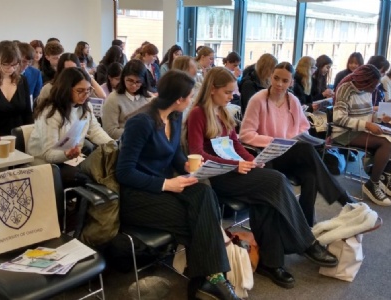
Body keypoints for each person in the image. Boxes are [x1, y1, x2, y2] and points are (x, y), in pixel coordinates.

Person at [186, 67, 338, 289]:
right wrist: (236, 164)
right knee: (276, 180)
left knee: (266, 200)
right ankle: (307, 242)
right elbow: (198, 153)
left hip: (238, 168)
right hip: (219, 175)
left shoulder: (223, 111)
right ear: (212, 90)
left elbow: (236, 144)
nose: (232, 97)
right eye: (228, 92)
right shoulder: (198, 114)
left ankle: (271, 262)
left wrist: (251, 159)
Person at [116, 69, 241, 300]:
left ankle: (205, 281)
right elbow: (124, 172)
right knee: (198, 221)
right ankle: (213, 280)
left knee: (205, 194)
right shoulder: (141, 123)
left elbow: (174, 155)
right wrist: (165, 184)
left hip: (167, 185)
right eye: (190, 96)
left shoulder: (173, 117)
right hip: (139, 196)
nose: (193, 100)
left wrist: (185, 165)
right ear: (178, 99)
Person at [239, 62, 356, 225]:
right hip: (270, 156)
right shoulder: (258, 100)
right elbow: (245, 134)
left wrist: (298, 137)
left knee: (311, 175)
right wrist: (274, 141)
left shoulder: (292, 100)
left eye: (285, 81)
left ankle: (306, 225)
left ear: (291, 82)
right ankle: (344, 198)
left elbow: (304, 126)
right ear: (271, 77)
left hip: (290, 153)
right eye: (276, 78)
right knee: (306, 150)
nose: (280, 84)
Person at [28, 67, 113, 187]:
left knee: (103, 171)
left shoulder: (85, 106)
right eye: (80, 90)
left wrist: (112, 144)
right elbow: (48, 154)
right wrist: (67, 155)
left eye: (88, 90)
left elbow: (95, 131)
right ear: (66, 89)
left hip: (69, 158)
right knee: (90, 178)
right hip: (45, 163)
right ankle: (81, 204)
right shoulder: (51, 113)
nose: (85, 94)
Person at [333, 64, 391, 206]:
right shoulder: (345, 89)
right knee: (387, 143)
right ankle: (372, 183)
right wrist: (367, 125)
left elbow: (367, 113)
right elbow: (338, 118)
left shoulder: (367, 90)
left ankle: (384, 175)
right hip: (343, 133)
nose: (375, 88)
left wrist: (379, 118)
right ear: (365, 82)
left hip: (361, 130)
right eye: (373, 85)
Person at [102, 60, 150, 140]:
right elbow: (110, 131)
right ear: (123, 78)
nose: (134, 85)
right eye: (130, 80)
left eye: (138, 82)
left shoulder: (150, 99)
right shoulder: (113, 99)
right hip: (124, 143)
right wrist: (138, 134)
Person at [36, 53, 105, 106]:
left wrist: (85, 74)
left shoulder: (82, 88)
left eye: (74, 69)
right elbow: (40, 110)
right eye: (67, 70)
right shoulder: (49, 88)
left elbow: (102, 96)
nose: (71, 74)